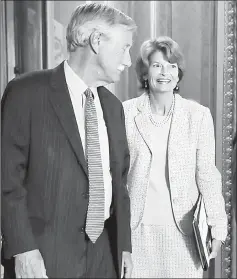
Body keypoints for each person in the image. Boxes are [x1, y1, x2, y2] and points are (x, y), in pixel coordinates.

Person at [1, 3, 136, 278]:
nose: (129, 60)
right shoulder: (26, 93)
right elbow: (7, 179)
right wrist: (23, 249)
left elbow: (119, 182)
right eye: (124, 47)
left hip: (105, 256)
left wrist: (124, 246)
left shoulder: (113, 107)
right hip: (44, 255)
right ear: (96, 41)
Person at [122, 36, 227, 278]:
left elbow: (208, 175)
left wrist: (218, 229)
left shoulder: (198, 116)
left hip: (184, 236)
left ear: (178, 74)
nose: (165, 72)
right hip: (137, 234)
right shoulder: (125, 113)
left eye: (171, 66)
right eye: (157, 65)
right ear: (145, 72)